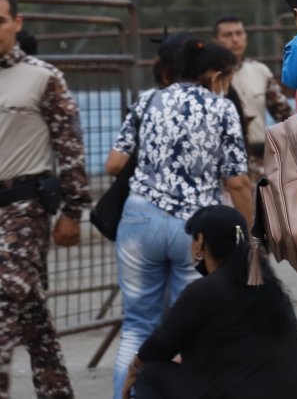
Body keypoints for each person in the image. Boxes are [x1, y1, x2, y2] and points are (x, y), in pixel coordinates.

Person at [105, 38, 254, 398]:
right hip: (196, 232)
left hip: (139, 222)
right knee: (194, 329)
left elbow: (114, 163)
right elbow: (236, 181)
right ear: (217, 76)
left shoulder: (149, 99)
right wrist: (247, 235)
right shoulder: (221, 109)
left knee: (138, 325)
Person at [121, 205, 297, 399]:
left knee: (150, 373)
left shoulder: (204, 291)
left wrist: (134, 370)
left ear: (200, 241)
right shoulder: (266, 285)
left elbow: (158, 345)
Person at [0, 0, 88, 398]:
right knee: (33, 318)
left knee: (3, 304)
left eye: (0, 20)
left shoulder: (43, 77)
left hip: (23, 208)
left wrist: (73, 209)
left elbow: (69, 147)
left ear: (17, 23)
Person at [213, 15, 293, 181]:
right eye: (227, 35)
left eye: (239, 33)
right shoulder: (210, 78)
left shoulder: (260, 71)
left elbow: (286, 116)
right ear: (215, 40)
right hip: (222, 163)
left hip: (260, 162)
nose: (235, 40)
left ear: (246, 37)